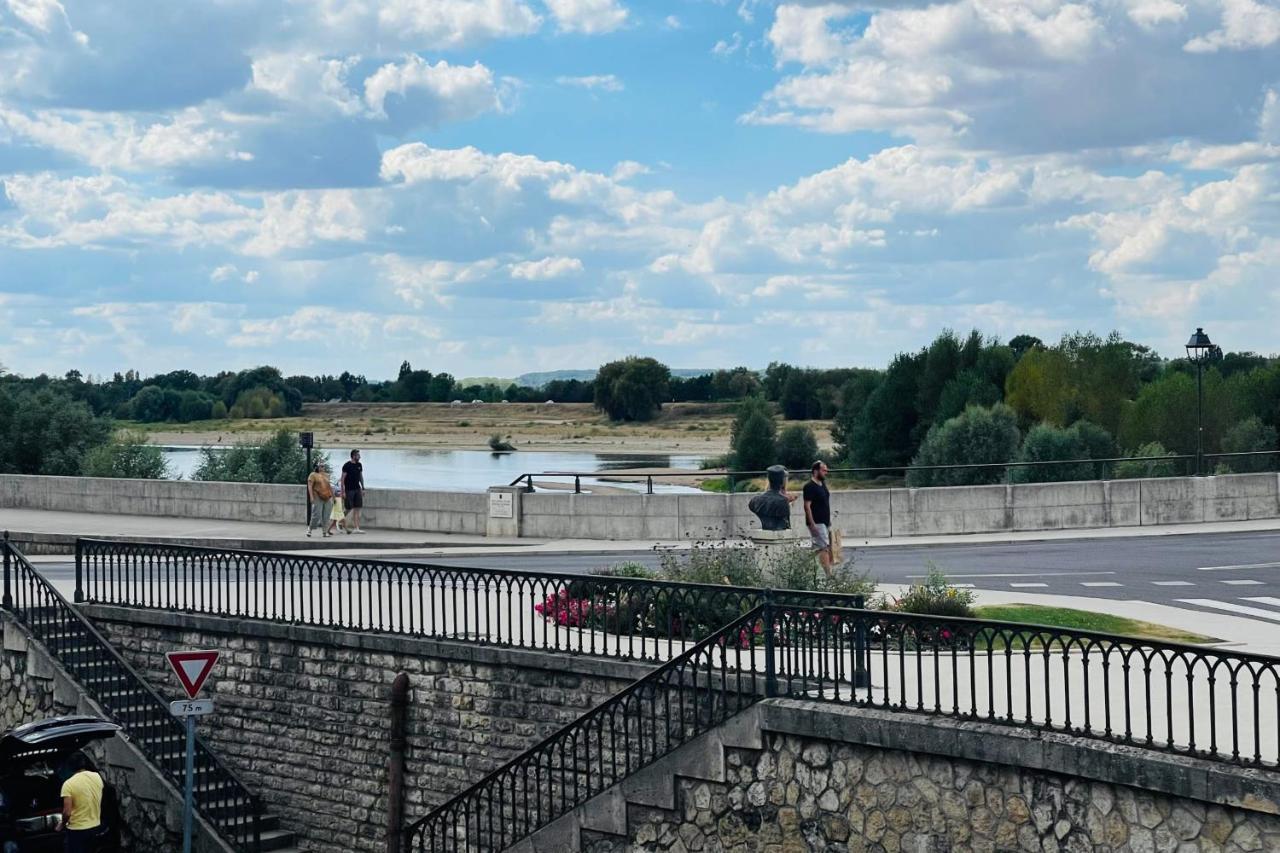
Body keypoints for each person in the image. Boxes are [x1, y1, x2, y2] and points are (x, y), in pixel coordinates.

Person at [58, 752, 103, 853]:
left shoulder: (68, 784)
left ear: (70, 767)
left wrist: (61, 824)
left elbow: (67, 813)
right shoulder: (97, 777)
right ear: (83, 763)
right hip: (95, 827)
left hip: (77, 830)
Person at [803, 460, 833, 577]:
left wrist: (828, 521)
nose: (826, 472)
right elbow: (807, 506)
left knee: (819, 548)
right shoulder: (809, 487)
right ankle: (829, 575)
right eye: (823, 470)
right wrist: (812, 524)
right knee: (824, 548)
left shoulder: (822, 484)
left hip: (825, 521)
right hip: (817, 522)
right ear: (816, 471)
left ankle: (801, 566)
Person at [306, 460, 334, 538]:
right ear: (317, 467)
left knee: (326, 515)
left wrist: (333, 496)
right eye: (321, 466)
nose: (323, 467)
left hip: (327, 496)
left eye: (323, 466)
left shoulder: (327, 475)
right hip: (317, 496)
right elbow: (310, 486)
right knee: (316, 514)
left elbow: (329, 486)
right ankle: (310, 529)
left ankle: (325, 532)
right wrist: (311, 497)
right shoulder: (313, 475)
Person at [341, 449, 366, 534]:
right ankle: (340, 520)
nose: (359, 457)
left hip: (357, 489)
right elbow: (342, 479)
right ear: (353, 456)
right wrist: (343, 491)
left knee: (357, 508)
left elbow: (360, 477)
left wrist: (363, 488)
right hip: (349, 490)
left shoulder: (359, 465)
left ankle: (357, 528)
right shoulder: (347, 465)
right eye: (358, 455)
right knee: (348, 508)